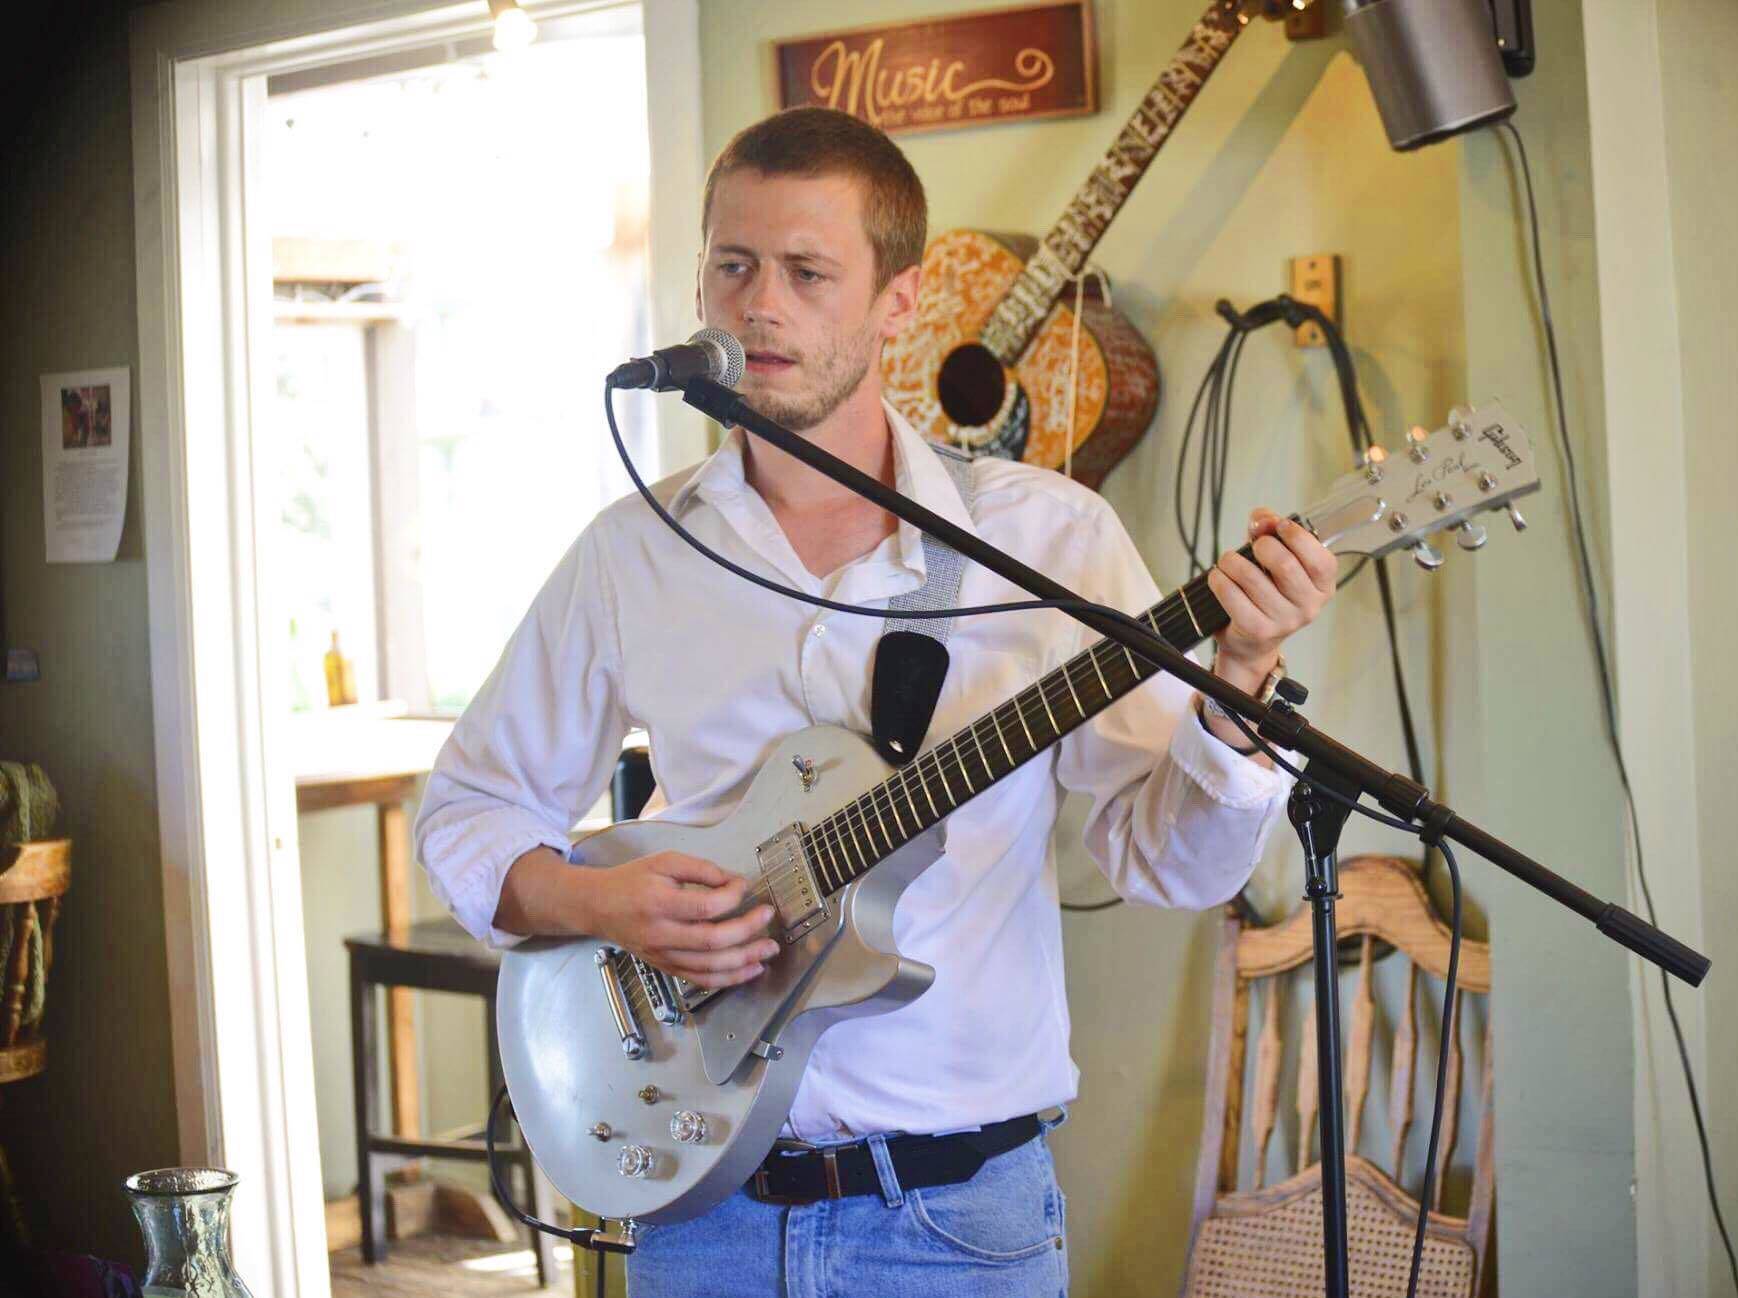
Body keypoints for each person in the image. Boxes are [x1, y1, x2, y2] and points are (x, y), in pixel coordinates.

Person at [416, 106, 1337, 1298]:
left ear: (898, 301)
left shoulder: (1044, 540)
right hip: (703, 1224)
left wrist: (1242, 681)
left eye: (808, 272)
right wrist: (602, 899)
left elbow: (1169, 862)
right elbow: (469, 810)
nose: (760, 307)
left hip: (955, 1224)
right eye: (733, 265)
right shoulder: (630, 552)